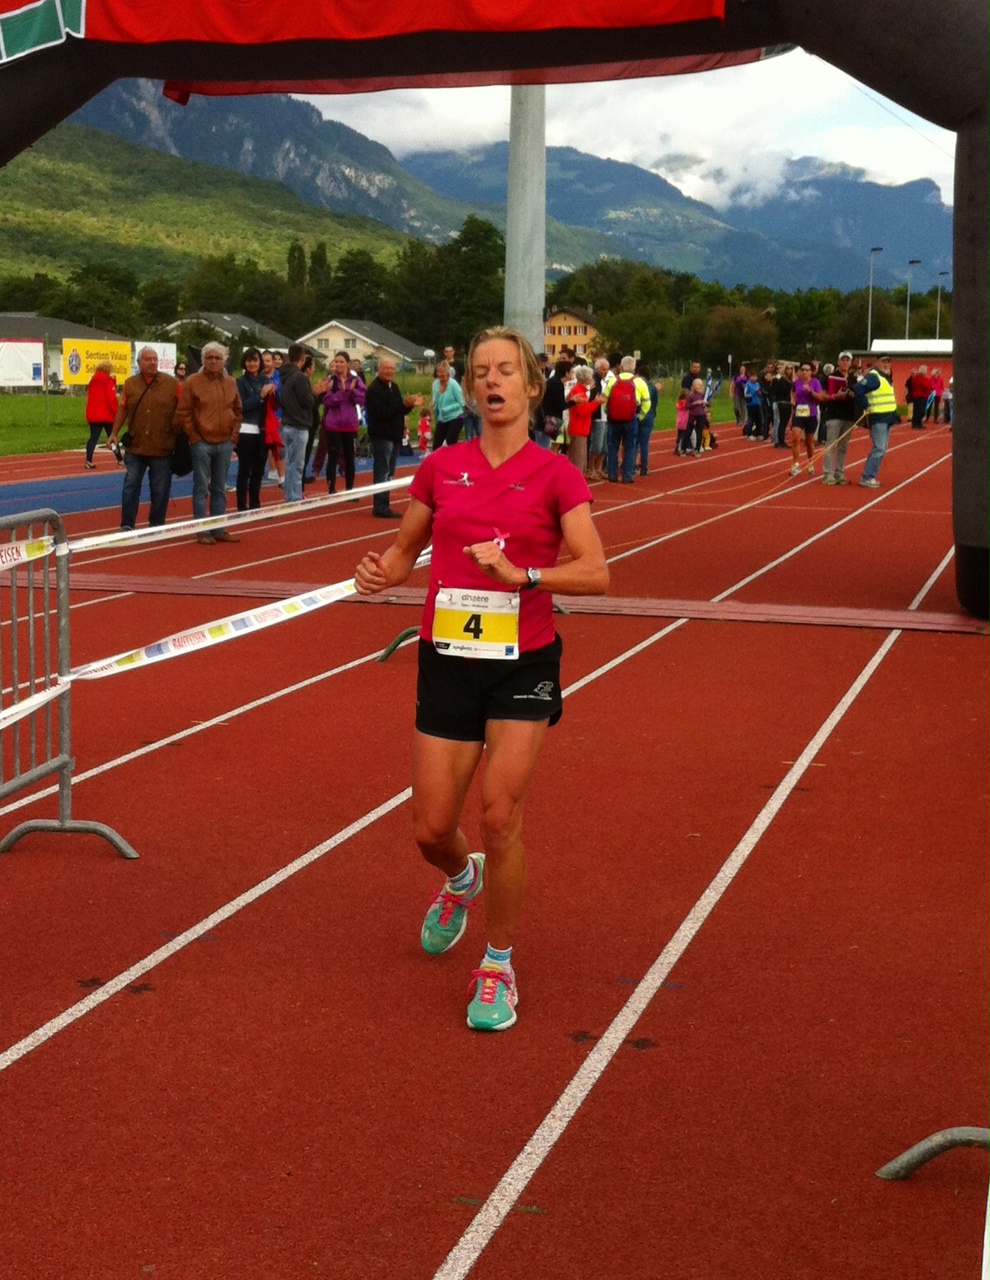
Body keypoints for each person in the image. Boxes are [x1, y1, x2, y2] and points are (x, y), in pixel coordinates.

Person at [353, 325, 608, 1033]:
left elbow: (596, 570)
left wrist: (525, 574)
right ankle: (460, 881)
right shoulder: (441, 467)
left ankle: (497, 963)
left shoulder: (558, 475)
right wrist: (380, 575)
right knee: (433, 831)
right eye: (481, 372)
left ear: (530, 385)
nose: (493, 381)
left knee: (500, 815)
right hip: (448, 660)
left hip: (523, 663)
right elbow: (404, 554)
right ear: (471, 388)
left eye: (506, 371)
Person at [175, 340, 243, 544]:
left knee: (220, 487)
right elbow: (183, 412)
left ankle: (218, 528)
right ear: (203, 360)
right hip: (202, 443)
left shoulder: (231, 382)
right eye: (209, 358)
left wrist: (234, 436)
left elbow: (238, 411)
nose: (213, 361)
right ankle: (202, 530)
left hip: (225, 443)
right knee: (201, 486)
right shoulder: (193, 382)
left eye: (217, 358)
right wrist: (193, 436)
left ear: (224, 360)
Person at [108, 346, 179, 530]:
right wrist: (114, 433)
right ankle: (127, 524)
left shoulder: (172, 384)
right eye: (148, 359)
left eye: (155, 359)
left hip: (162, 447)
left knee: (160, 489)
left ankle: (156, 524)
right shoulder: (130, 384)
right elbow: (123, 408)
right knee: (131, 486)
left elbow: (184, 408)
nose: (153, 362)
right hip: (136, 447)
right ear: (139, 362)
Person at [365, 357, 423, 517]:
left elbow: (398, 411)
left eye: (392, 369)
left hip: (394, 435)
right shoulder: (374, 389)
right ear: (379, 369)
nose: (389, 371)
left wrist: (409, 406)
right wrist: (403, 405)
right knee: (382, 472)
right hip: (382, 435)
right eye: (386, 368)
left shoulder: (394, 387)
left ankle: (384, 504)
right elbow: (382, 413)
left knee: (389, 472)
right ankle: (380, 506)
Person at [279, 344, 326, 503]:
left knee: (291, 462)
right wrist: (316, 393)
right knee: (297, 464)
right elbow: (306, 402)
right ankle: (294, 497)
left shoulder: (284, 374)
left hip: (287, 422)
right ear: (302, 358)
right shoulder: (300, 377)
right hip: (298, 424)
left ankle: (290, 494)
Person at [320, 351, 365, 495]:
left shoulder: (355, 380)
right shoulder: (330, 380)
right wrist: (340, 394)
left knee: (349, 457)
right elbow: (326, 401)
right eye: (336, 362)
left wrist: (352, 392)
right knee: (333, 456)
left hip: (350, 424)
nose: (339, 364)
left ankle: (350, 488)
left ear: (348, 364)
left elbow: (362, 399)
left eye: (342, 362)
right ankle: (331, 488)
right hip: (333, 425)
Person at [855, 354, 899, 489]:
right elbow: (858, 388)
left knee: (882, 449)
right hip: (878, 417)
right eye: (883, 362)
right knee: (879, 448)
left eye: (888, 362)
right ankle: (867, 476)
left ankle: (870, 475)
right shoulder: (875, 377)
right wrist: (865, 404)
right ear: (877, 363)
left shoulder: (886, 377)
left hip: (887, 417)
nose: (886, 365)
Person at [234, 347, 269, 511]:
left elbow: (277, 405)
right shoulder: (240, 382)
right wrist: (260, 396)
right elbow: (241, 406)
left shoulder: (266, 380)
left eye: (255, 360)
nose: (252, 364)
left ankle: (255, 502)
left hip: (263, 430)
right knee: (244, 469)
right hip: (246, 430)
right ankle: (242, 505)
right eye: (249, 360)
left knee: (259, 468)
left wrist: (273, 395)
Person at [606, 355, 650, 483]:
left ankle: (612, 475)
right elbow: (647, 402)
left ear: (621, 366)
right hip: (631, 418)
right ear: (634, 367)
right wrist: (640, 416)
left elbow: (605, 399)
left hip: (614, 418)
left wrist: (608, 413)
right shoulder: (640, 382)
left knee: (613, 447)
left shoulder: (613, 381)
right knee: (630, 447)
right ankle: (627, 476)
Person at [821, 351, 858, 486]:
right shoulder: (830, 377)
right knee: (831, 444)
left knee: (843, 446)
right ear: (838, 362)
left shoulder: (853, 379)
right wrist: (835, 396)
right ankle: (827, 474)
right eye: (842, 360)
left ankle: (839, 472)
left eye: (847, 360)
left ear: (850, 363)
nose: (844, 362)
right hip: (834, 415)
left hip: (848, 416)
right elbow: (823, 395)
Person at [789, 361, 824, 477]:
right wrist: (793, 400)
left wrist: (811, 391)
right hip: (798, 413)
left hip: (811, 414)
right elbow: (793, 392)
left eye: (807, 370)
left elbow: (820, 397)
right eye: (802, 369)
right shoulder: (796, 383)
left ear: (811, 372)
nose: (804, 372)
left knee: (809, 442)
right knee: (795, 437)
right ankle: (796, 464)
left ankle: (810, 461)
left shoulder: (815, 382)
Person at [565, 363, 599, 475]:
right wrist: (596, 402)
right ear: (587, 378)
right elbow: (582, 411)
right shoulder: (578, 391)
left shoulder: (580, 390)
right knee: (578, 461)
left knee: (579, 460)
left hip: (580, 428)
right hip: (578, 428)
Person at [84, 360, 119, 468]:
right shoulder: (108, 382)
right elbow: (111, 399)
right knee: (112, 437)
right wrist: (117, 412)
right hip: (106, 415)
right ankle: (120, 459)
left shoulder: (92, 381)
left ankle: (88, 460)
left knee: (93, 438)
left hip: (93, 414)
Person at [431, 360, 466, 448]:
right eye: (438, 372)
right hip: (442, 418)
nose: (440, 374)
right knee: (436, 444)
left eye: (442, 372)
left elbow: (461, 402)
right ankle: (437, 461)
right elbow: (435, 402)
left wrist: (447, 409)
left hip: (456, 416)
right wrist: (439, 394)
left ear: (447, 372)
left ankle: (453, 459)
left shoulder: (453, 384)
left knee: (450, 440)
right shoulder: (435, 384)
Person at [634, 362, 659, 475]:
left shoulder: (635, 385)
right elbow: (654, 404)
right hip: (648, 416)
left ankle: (632, 467)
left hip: (636, 415)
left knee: (633, 442)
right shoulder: (652, 387)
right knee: (644, 443)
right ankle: (644, 468)